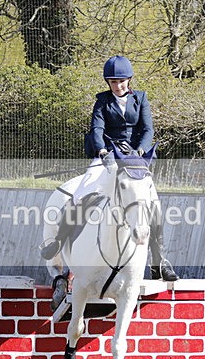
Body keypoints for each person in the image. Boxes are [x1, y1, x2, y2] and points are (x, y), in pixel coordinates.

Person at [40, 56, 178, 306]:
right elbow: (96, 128)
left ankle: (159, 261)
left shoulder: (141, 99)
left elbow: (147, 130)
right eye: (113, 82)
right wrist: (102, 150)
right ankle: (59, 241)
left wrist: (139, 151)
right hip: (107, 157)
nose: (118, 86)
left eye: (122, 81)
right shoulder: (102, 100)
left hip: (134, 160)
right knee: (82, 192)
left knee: (152, 203)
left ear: (129, 80)